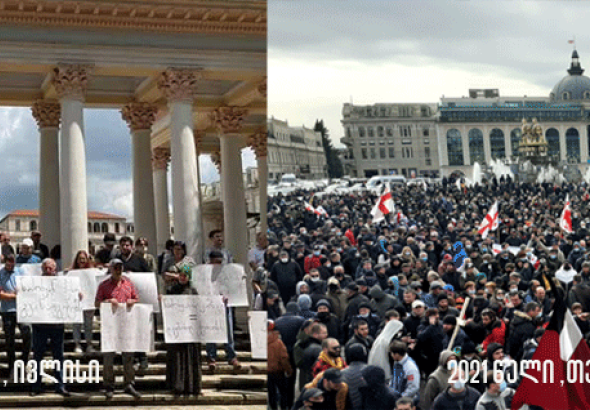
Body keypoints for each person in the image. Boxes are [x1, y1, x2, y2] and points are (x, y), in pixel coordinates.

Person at [95, 258, 141, 399]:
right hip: (110, 325)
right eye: (115, 267)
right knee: (109, 355)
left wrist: (132, 301)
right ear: (111, 268)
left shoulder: (129, 284)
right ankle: (109, 385)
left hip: (126, 323)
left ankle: (129, 383)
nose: (118, 269)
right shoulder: (103, 285)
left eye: (120, 267)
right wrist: (108, 301)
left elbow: (137, 299)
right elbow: (96, 303)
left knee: (128, 355)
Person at [30, 258, 72, 396]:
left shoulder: (63, 283)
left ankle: (60, 385)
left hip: (57, 326)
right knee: (38, 356)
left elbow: (69, 298)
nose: (48, 270)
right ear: (42, 269)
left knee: (58, 356)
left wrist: (77, 295)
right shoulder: (33, 283)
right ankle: (36, 385)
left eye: (51, 268)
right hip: (39, 325)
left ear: (55, 269)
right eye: (46, 268)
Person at [164, 257, 201, 396]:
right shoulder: (172, 289)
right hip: (177, 330)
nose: (183, 277)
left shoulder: (193, 291)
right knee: (178, 357)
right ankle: (177, 385)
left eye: (185, 275)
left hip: (191, 331)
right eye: (181, 275)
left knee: (191, 358)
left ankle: (192, 386)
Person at [203, 249, 241, 371]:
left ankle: (231, 356)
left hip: (225, 305)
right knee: (211, 331)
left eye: (220, 262)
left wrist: (228, 295)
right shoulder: (204, 274)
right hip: (210, 305)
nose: (218, 265)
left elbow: (233, 287)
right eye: (216, 262)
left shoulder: (226, 274)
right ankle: (211, 357)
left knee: (228, 331)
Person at [0, 254, 31, 376]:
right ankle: (12, 365)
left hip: (21, 309)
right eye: (8, 263)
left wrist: (10, 294)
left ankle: (24, 362)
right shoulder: (0, 273)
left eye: (12, 263)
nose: (10, 265)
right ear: (5, 262)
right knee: (9, 339)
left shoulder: (20, 272)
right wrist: (14, 296)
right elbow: (1, 294)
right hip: (7, 311)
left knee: (27, 332)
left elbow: (26, 288)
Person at [67, 250, 96, 353]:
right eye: (80, 259)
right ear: (76, 260)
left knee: (89, 324)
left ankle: (89, 344)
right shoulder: (71, 272)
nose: (82, 261)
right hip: (76, 302)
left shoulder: (92, 271)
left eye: (83, 259)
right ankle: (77, 344)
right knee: (76, 324)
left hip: (89, 302)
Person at [268, 319, 292, 410]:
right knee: (283, 392)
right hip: (278, 372)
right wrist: (288, 370)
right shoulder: (278, 342)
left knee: (271, 393)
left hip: (267, 371)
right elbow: (284, 358)